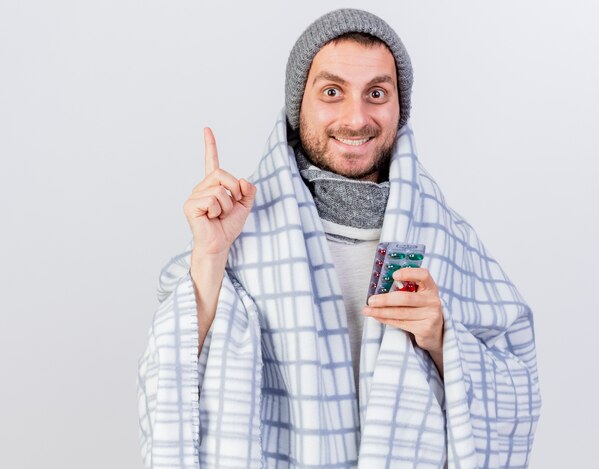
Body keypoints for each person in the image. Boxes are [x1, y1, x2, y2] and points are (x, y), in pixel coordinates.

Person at [137, 8, 541, 469]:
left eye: (376, 93)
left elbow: (518, 385)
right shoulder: (237, 227)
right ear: (298, 105)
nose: (356, 118)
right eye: (332, 92)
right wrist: (210, 256)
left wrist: (443, 338)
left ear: (398, 107)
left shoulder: (446, 236)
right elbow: (171, 378)